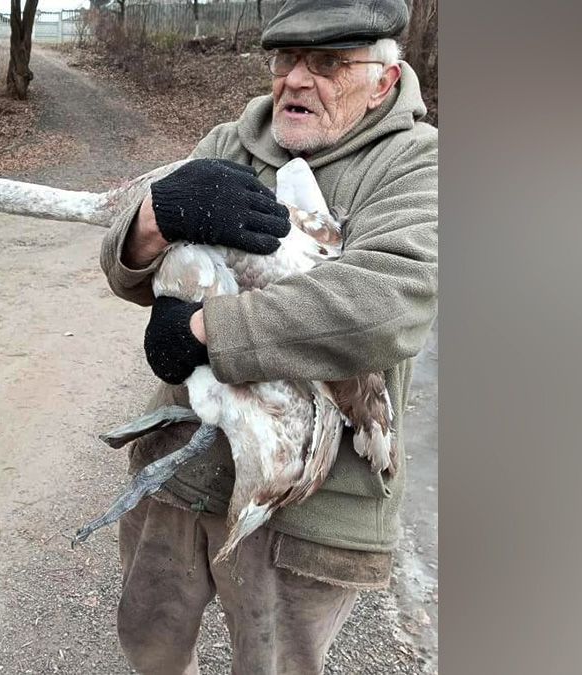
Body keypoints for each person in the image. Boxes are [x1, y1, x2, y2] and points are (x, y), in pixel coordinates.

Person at [97, 1, 438, 673]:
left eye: (330, 63)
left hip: (307, 512)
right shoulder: (230, 142)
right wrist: (153, 219)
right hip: (180, 474)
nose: (297, 80)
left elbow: (389, 303)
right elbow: (121, 265)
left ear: (385, 80)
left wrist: (203, 331)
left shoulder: (415, 167)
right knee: (148, 642)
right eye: (286, 59)